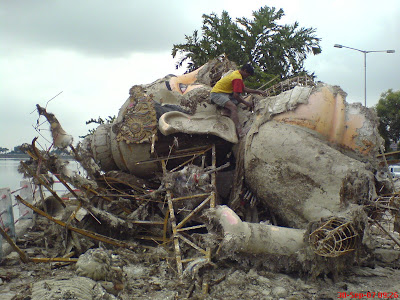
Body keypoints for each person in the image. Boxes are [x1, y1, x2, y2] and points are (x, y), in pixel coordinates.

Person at [210, 64, 266, 137]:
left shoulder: (237, 74)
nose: (247, 77)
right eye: (247, 75)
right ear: (245, 71)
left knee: (239, 97)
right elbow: (235, 95)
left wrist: (257, 91)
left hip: (225, 93)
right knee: (233, 107)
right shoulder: (237, 78)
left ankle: (225, 109)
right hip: (217, 94)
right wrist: (246, 103)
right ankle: (239, 131)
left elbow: (244, 89)